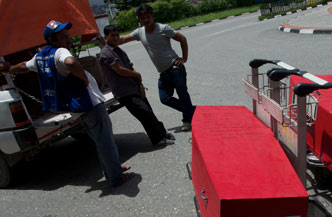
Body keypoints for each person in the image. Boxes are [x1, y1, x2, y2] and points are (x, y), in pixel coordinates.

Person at [0, 20, 132, 187]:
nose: (68, 40)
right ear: (53, 41)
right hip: (90, 105)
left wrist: (9, 69)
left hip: (77, 109)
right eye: (63, 37)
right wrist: (84, 78)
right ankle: (116, 178)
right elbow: (70, 62)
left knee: (100, 141)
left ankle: (111, 169)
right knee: (106, 142)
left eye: (67, 36)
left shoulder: (41, 56)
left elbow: (24, 66)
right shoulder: (59, 52)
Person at [119, 3, 196, 132]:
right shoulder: (140, 32)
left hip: (175, 68)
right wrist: (104, 41)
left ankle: (187, 120)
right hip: (163, 72)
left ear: (153, 16)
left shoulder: (162, 28)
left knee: (183, 94)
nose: (146, 20)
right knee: (164, 98)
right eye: (142, 18)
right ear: (139, 19)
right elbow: (122, 39)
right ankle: (194, 111)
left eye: (148, 17)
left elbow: (182, 39)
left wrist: (184, 58)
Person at [99, 25, 175, 147]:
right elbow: (119, 70)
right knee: (144, 113)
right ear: (106, 37)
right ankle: (157, 139)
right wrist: (137, 75)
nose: (115, 37)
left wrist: (140, 85)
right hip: (124, 92)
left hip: (134, 87)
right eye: (112, 35)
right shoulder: (105, 53)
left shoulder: (119, 50)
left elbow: (130, 67)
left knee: (149, 111)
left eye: (117, 35)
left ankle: (162, 133)